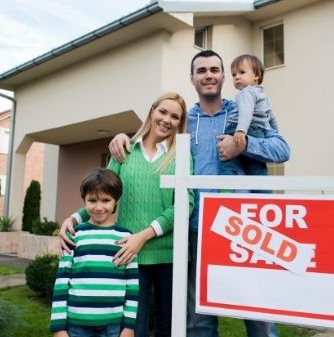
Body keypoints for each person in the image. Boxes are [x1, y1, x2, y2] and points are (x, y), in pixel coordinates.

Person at [107, 50, 290, 337]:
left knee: (259, 316)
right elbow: (149, 142)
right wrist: (121, 137)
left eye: (214, 69)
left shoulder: (246, 111)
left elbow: (282, 149)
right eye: (201, 70)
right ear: (192, 78)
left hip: (245, 229)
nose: (208, 75)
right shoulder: (183, 122)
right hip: (195, 230)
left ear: (223, 76)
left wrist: (243, 145)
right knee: (197, 320)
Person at [59, 92, 195, 337]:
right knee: (134, 328)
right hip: (128, 255)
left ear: (180, 122)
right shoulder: (124, 151)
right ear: (152, 111)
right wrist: (74, 219)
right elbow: (102, 194)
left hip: (170, 255)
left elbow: (186, 204)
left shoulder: (181, 156)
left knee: (170, 328)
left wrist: (142, 236)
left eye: (175, 116)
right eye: (162, 112)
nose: (167, 120)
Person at [50, 168, 138, 337]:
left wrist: (129, 326)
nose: (99, 207)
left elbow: (132, 286)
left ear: (116, 201)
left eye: (106, 200)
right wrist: (59, 328)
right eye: (92, 200)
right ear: (84, 200)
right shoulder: (73, 236)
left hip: (114, 326)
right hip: (76, 326)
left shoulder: (127, 238)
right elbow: (61, 283)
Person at [220, 54, 279, 180]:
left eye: (242, 72)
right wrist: (274, 133)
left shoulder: (247, 92)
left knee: (228, 160)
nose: (237, 77)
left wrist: (240, 130)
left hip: (240, 130)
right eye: (234, 75)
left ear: (256, 75)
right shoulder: (262, 94)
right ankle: (263, 193)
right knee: (256, 168)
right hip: (258, 132)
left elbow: (246, 112)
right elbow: (271, 116)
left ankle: (225, 188)